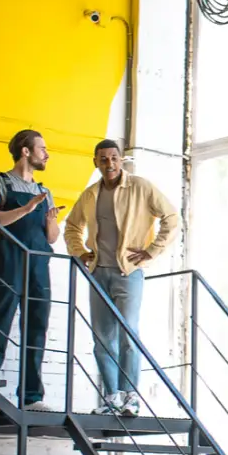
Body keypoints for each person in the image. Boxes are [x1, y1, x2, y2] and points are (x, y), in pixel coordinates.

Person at [63, 139, 179, 415]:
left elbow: (172, 218)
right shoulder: (91, 194)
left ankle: (130, 397)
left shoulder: (141, 187)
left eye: (114, 158)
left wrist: (152, 251)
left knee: (129, 332)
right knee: (102, 338)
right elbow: (71, 227)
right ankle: (112, 396)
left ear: (120, 160)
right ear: (95, 162)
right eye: (103, 159)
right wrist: (80, 252)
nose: (109, 164)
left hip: (128, 272)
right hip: (98, 272)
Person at [0, 129, 58, 412]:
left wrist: (50, 219)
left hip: (38, 266)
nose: (46, 154)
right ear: (26, 151)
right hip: (8, 263)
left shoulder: (44, 191)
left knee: (37, 330)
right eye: (42, 148)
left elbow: (52, 238)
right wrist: (26, 208)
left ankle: (31, 396)